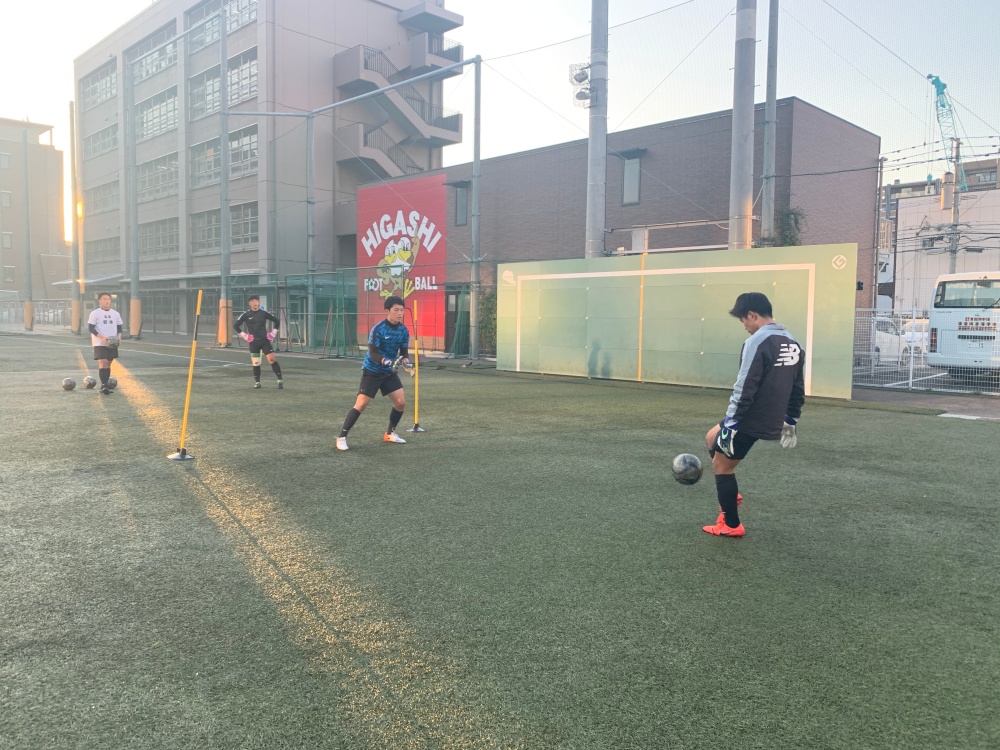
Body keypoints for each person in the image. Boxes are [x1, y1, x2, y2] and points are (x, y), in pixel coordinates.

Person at [703, 292, 805, 537]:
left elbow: (744, 386)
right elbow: (797, 385)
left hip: (750, 417)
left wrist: (731, 424)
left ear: (752, 315)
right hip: (767, 414)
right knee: (711, 437)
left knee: (721, 467)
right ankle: (730, 494)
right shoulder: (792, 341)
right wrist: (790, 419)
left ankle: (731, 524)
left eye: (743, 320)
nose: (744, 326)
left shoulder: (756, 341)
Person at [336, 295, 411, 451]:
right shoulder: (378, 329)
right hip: (372, 371)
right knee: (361, 404)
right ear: (387, 311)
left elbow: (404, 352)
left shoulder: (404, 330)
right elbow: (373, 353)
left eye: (402, 310)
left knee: (400, 402)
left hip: (389, 373)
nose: (400, 313)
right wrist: (385, 361)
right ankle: (341, 437)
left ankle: (389, 434)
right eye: (396, 310)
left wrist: (405, 361)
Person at [234, 295, 283, 389]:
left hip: (265, 341)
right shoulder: (246, 314)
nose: (255, 303)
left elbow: (277, 321)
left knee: (272, 359)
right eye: (253, 301)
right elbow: (236, 326)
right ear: (250, 303)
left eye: (256, 301)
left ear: (258, 302)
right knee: (256, 363)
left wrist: (274, 332)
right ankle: (257, 382)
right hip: (253, 343)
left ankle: (280, 380)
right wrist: (244, 335)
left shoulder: (264, 313)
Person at [87, 292, 124, 395]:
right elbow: (91, 328)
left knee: (108, 363)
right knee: (102, 362)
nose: (107, 301)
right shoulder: (95, 313)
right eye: (104, 299)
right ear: (99, 301)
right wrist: (102, 337)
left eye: (108, 299)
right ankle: (104, 386)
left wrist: (119, 336)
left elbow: (119, 327)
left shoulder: (115, 314)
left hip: (112, 343)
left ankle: (106, 384)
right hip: (99, 342)